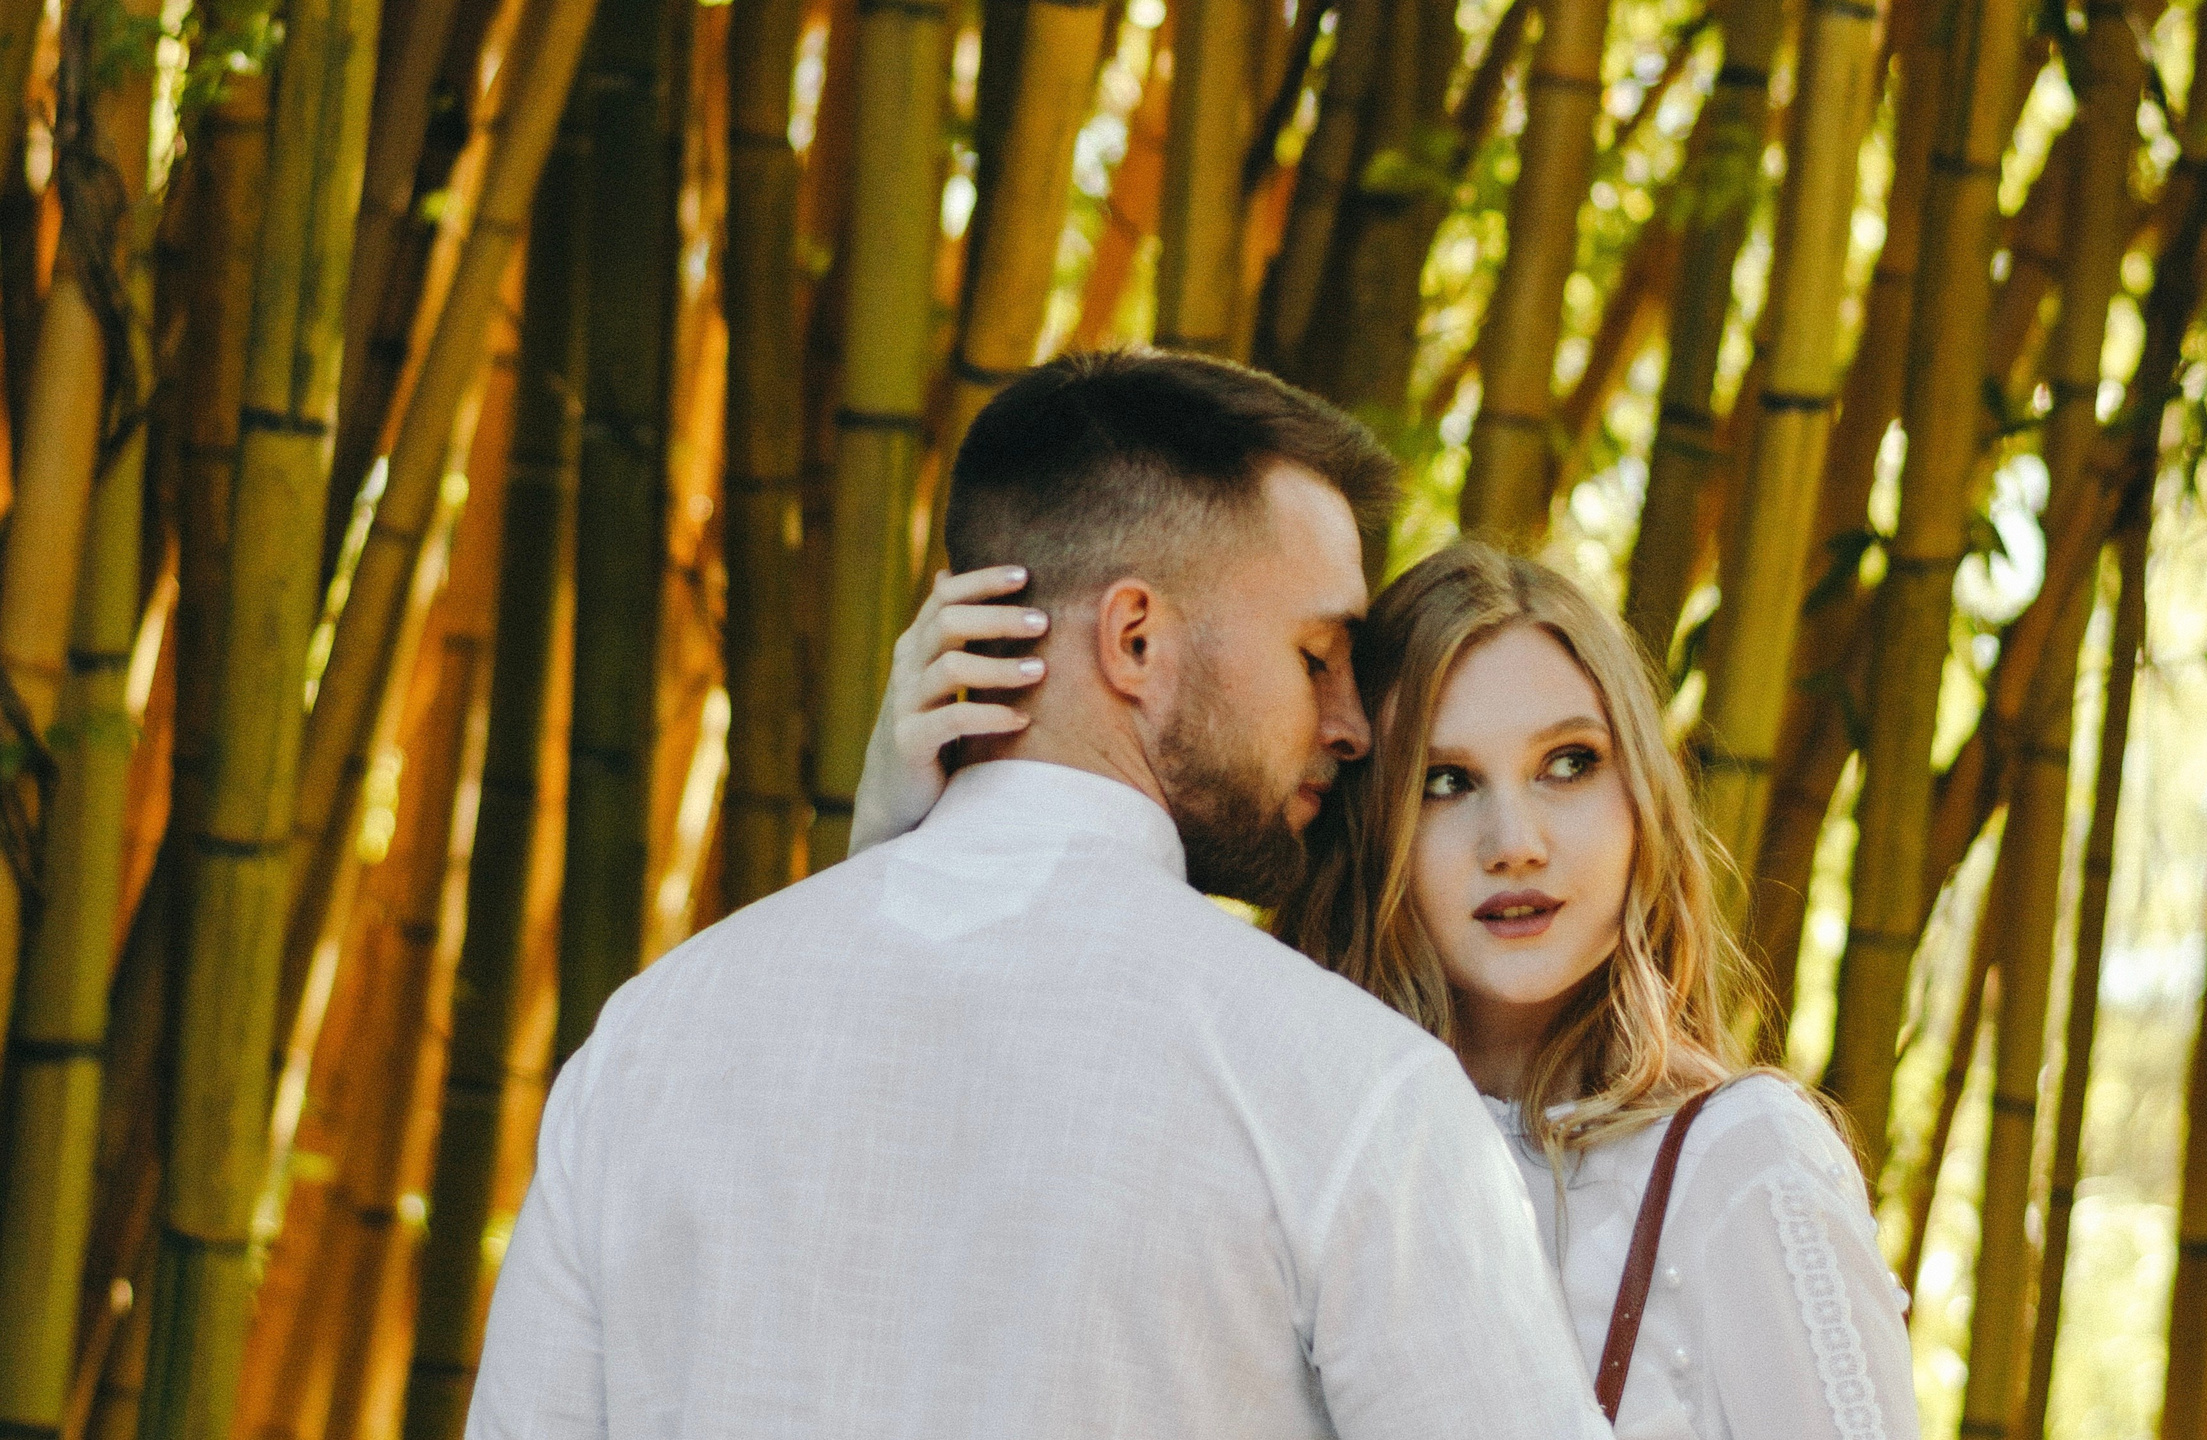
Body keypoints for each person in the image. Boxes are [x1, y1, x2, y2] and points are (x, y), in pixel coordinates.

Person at [466, 351, 1617, 1440]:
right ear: (1134, 640)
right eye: (1317, 656)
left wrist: (876, 855)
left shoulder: (649, 1047)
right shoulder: (1343, 1089)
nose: (1353, 726)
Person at [863, 541, 1923, 1439]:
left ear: (1642, 794)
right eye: (1445, 782)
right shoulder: (1272, 1148)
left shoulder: (1740, 1164)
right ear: (1369, 826)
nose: (1516, 844)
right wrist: (891, 844)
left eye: (1568, 763)